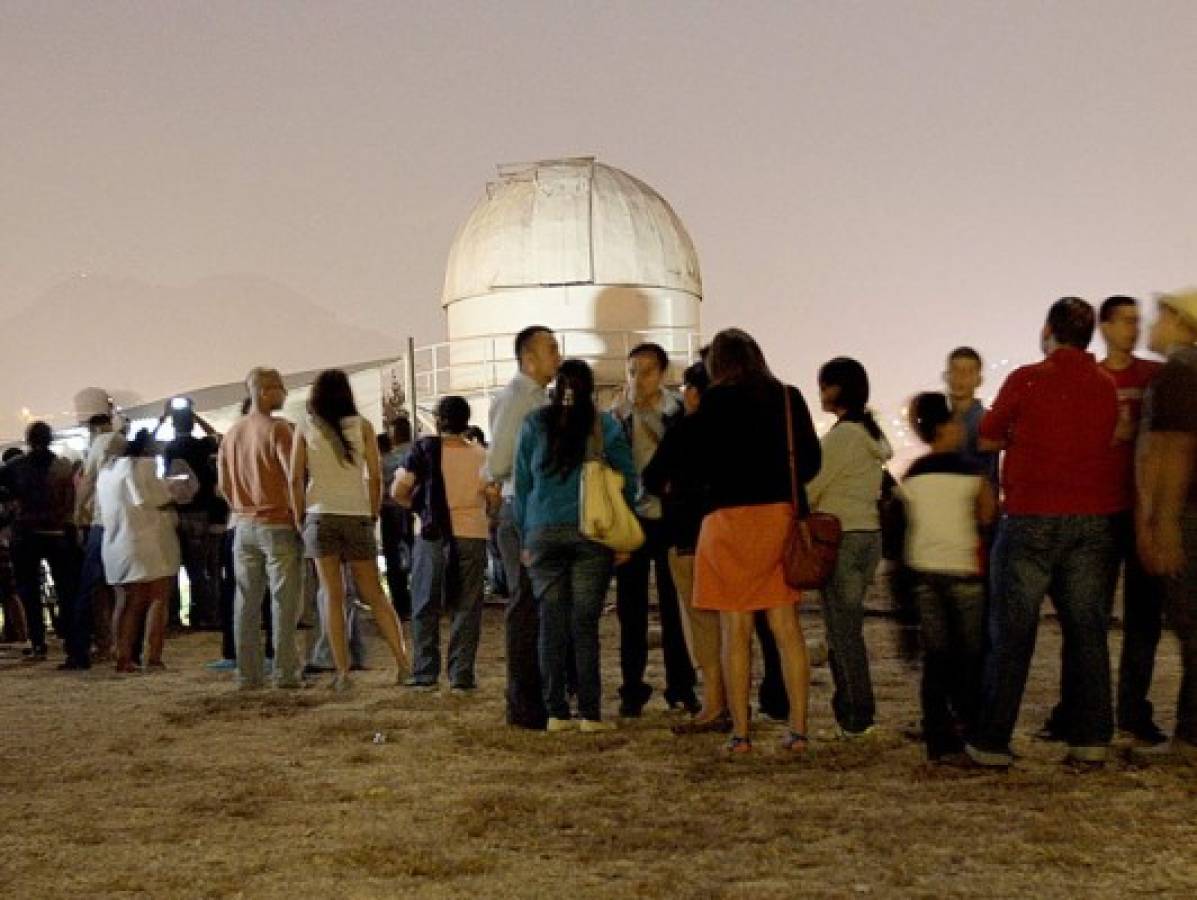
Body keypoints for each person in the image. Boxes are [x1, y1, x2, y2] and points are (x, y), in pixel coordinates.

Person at [965, 297, 1121, 768]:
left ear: (1049, 329)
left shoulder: (1028, 378)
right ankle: (1091, 737)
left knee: (1012, 633)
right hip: (1092, 520)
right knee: (1087, 632)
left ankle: (992, 740)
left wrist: (1021, 436)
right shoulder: (1105, 385)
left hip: (1031, 517)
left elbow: (988, 435)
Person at [689, 329, 821, 754]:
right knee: (786, 629)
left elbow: (697, 462)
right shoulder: (787, 396)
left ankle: (741, 734)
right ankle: (798, 730)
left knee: (735, 630)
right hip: (776, 519)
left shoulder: (713, 402)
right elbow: (811, 460)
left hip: (727, 521)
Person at [514, 359, 636, 731]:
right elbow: (627, 479)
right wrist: (622, 531)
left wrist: (524, 535)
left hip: (543, 531)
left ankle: (555, 713)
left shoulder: (535, 423)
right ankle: (590, 713)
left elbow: (522, 484)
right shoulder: (605, 425)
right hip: (591, 532)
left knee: (551, 625)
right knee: (584, 625)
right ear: (590, 389)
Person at [288, 369, 411, 691]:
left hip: (320, 515)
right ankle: (403, 663)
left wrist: (300, 517)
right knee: (375, 594)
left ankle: (342, 672)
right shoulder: (363, 427)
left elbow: (294, 478)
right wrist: (371, 515)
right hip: (356, 515)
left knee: (332, 595)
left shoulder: (305, 427)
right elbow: (375, 475)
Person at [899, 393, 996, 760]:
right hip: (964, 571)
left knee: (936, 658)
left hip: (924, 572)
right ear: (945, 428)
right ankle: (969, 729)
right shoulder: (972, 471)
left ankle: (937, 738)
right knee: (969, 658)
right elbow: (988, 515)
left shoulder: (912, 475)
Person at [806, 357, 892, 738]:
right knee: (848, 628)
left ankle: (856, 715)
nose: (820, 393)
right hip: (868, 535)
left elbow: (812, 486)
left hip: (840, 535)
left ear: (837, 389)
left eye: (824, 385)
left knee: (843, 632)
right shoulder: (871, 436)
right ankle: (855, 711)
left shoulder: (843, 437)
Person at [611, 343, 698, 716]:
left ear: (662, 373)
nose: (638, 379)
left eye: (646, 371)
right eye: (632, 371)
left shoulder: (677, 412)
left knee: (673, 606)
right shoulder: (615, 415)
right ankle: (632, 688)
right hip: (631, 518)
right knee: (630, 610)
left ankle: (680, 685)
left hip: (668, 517)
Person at [643, 360, 727, 731]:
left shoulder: (685, 429)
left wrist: (672, 487)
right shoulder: (735, 430)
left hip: (689, 536)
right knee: (735, 623)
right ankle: (736, 702)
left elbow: (651, 476)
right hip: (731, 534)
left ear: (693, 392)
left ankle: (715, 703)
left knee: (702, 623)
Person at [486, 325, 562, 730]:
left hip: (525, 507)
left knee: (533, 605)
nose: (558, 356)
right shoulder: (522, 400)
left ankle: (532, 698)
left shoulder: (526, 397)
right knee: (527, 606)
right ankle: (526, 702)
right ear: (528, 357)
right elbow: (497, 462)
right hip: (523, 507)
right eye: (551, 349)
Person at [1098, 296, 1166, 744]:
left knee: (1144, 620)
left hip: (1143, 508)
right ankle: (1091, 710)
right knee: (1092, 617)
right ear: (1104, 326)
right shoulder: (1093, 379)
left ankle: (1132, 710)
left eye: (1138, 321)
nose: (1133, 329)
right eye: (1125, 321)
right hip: (1102, 508)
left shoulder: (1153, 377)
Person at [1135, 288, 1197, 764]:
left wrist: (1164, 524)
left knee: (1192, 626)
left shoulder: (1177, 374)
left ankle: (1190, 740)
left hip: (1188, 516)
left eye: (1159, 316)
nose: (1151, 326)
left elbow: (1173, 450)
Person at [392, 396, 489, 692]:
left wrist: (419, 509)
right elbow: (494, 496)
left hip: (432, 534)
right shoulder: (481, 456)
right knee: (467, 606)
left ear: (437, 420)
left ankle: (425, 671)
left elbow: (398, 491)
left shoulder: (424, 451)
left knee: (425, 602)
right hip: (472, 533)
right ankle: (461, 674)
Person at [218, 367, 305, 690]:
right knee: (283, 603)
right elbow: (292, 476)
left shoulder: (232, 434)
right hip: (277, 522)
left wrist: (241, 507)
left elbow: (224, 484)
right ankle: (284, 672)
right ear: (266, 391)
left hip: (243, 525)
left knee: (246, 602)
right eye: (281, 388)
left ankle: (247, 674)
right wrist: (299, 517)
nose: (284, 394)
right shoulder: (278, 430)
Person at [97, 429, 191, 672]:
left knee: (125, 600)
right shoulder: (139, 466)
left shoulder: (105, 474)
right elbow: (148, 498)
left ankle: (122, 654)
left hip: (116, 543)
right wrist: (172, 491)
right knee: (157, 598)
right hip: (148, 541)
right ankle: (153, 656)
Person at [0, 421, 80, 661]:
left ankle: (38, 641)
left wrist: (12, 509)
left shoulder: (15, 467)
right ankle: (69, 637)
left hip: (26, 534)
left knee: (29, 590)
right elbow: (69, 501)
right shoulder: (62, 465)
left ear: (27, 440)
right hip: (57, 533)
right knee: (66, 590)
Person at [68, 412, 127, 669]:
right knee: (121, 588)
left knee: (89, 588)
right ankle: (122, 646)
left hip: (102, 523)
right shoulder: (124, 443)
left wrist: (77, 513)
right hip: (126, 521)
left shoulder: (100, 443)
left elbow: (88, 482)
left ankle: (82, 651)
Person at [162, 401, 224, 630]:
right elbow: (218, 436)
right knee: (200, 569)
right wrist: (196, 417)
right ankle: (204, 616)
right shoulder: (201, 446)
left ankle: (174, 618)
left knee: (174, 567)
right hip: (201, 512)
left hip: (177, 512)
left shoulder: (169, 449)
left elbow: (142, 446)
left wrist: (162, 418)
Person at [944, 347, 999, 483]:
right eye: (955, 370)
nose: (960, 377)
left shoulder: (986, 421)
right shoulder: (941, 419)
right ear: (947, 376)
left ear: (978, 380)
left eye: (968, 372)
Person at [379, 417, 414, 620]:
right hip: (416, 511)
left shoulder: (385, 460)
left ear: (393, 434)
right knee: (416, 555)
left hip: (390, 511)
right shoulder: (420, 452)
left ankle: (401, 606)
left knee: (393, 559)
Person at [0, 448, 29, 644]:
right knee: (11, 592)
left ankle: (21, 633)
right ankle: (21, 633)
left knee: (10, 592)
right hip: (7, 543)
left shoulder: (6, 491)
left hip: (4, 544)